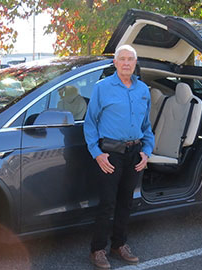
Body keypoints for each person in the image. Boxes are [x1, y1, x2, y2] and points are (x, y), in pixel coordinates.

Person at [83, 45, 155, 269]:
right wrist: (97, 154)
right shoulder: (102, 88)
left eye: (130, 60)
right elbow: (90, 123)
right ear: (115, 63)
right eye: (122, 59)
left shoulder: (143, 90)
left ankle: (119, 245)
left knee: (126, 202)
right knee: (107, 203)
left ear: (135, 63)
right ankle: (97, 250)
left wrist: (147, 151)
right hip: (110, 155)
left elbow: (147, 126)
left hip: (135, 154)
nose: (126, 63)